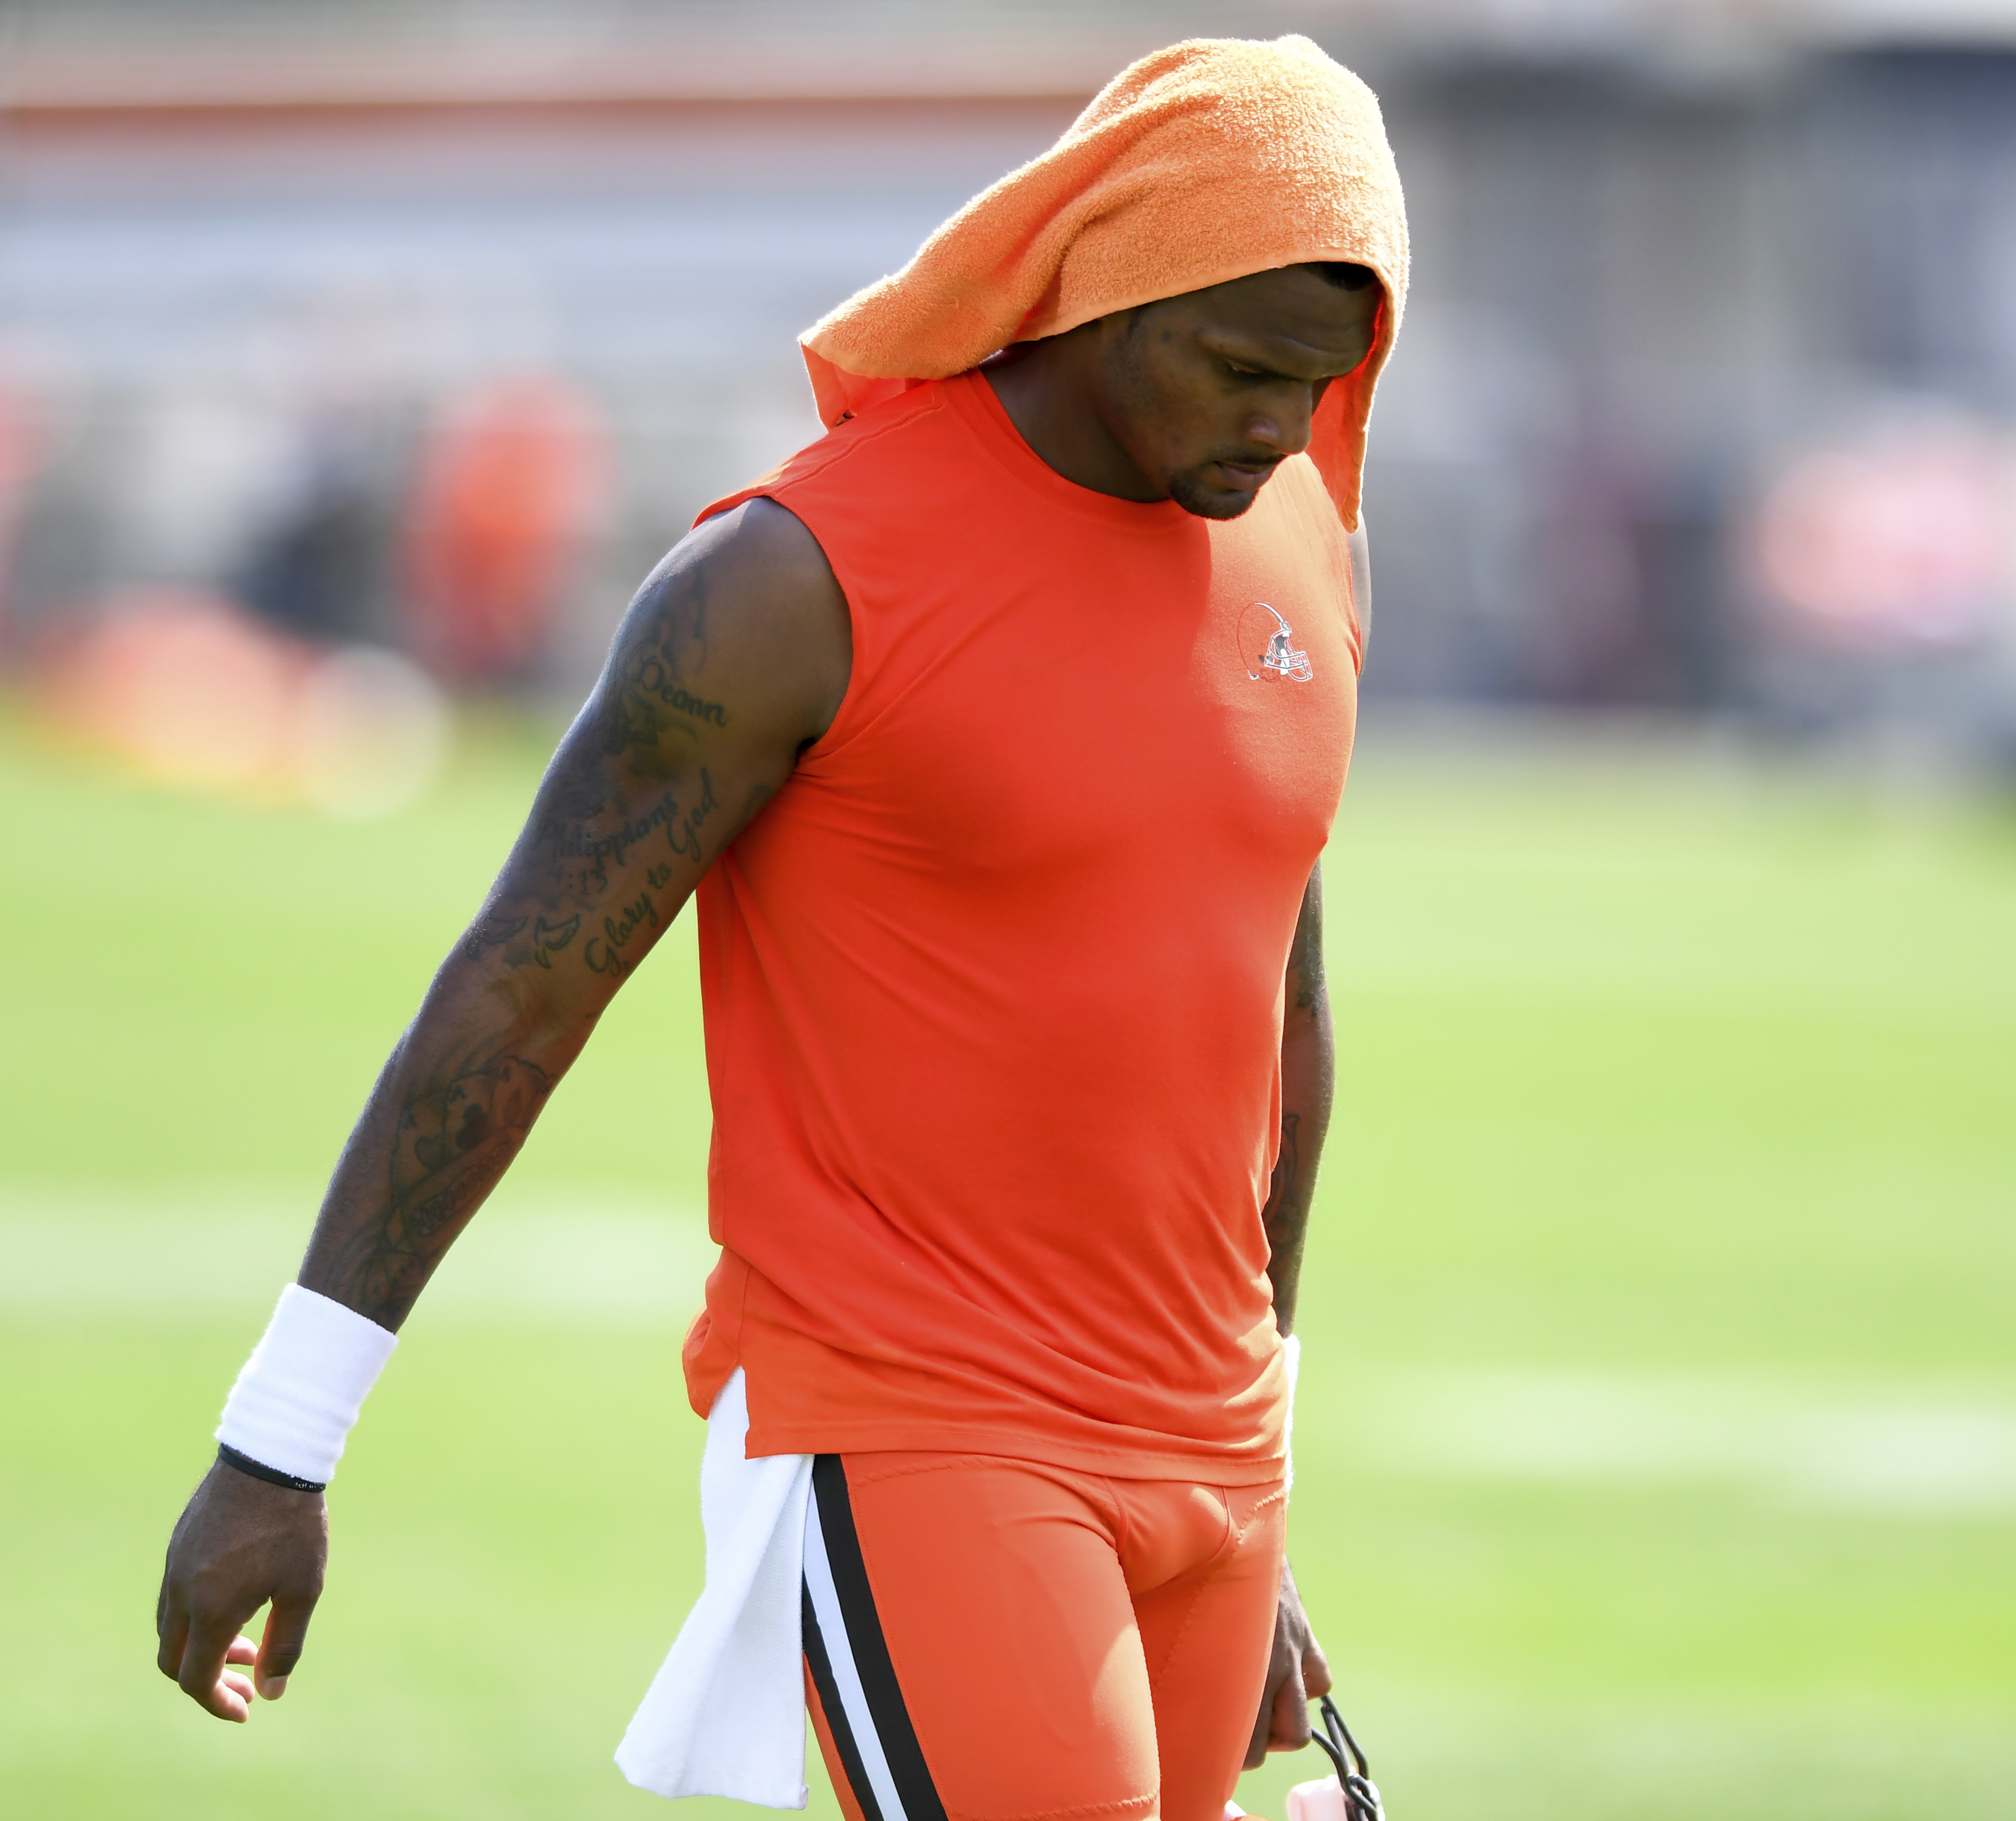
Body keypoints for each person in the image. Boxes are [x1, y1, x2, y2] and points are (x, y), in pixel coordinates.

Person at [154, 35, 1407, 1821]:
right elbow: (515, 998)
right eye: (1238, 369)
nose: (1282, 425)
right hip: (912, 1415)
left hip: (1210, 1457)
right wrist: (282, 1441)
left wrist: (1256, 1479)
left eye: (1322, 378)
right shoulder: (790, 583)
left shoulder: (1306, 544)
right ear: (1103, 286)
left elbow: (1276, 1020)